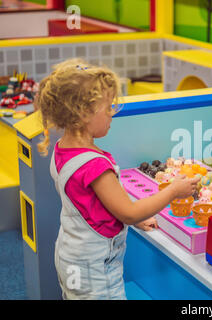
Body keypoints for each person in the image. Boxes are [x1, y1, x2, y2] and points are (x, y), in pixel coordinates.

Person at [36, 59, 200, 299]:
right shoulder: (95, 166)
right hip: (95, 271)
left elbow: (92, 204)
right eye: (108, 108)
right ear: (83, 113)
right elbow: (129, 212)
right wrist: (173, 191)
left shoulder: (63, 148)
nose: (113, 113)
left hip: (70, 257)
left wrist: (134, 220)